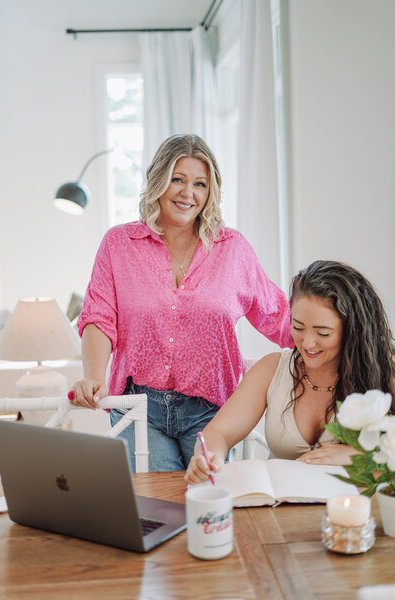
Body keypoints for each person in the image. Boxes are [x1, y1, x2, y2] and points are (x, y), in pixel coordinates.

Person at [70, 133, 293, 472]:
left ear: (210, 192)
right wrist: (93, 376)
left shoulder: (233, 249)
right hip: (138, 407)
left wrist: (340, 344)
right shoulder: (119, 244)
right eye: (178, 179)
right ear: (158, 179)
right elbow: (99, 318)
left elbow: (278, 317)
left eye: (200, 184)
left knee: (205, 505)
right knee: (159, 508)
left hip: (212, 411)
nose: (189, 193)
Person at [185, 260, 395, 484]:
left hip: (356, 511)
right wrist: (208, 457)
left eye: (322, 333)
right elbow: (218, 433)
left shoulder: (385, 371)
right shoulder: (271, 369)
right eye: (298, 327)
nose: (307, 343)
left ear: (353, 330)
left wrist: (359, 455)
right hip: (279, 510)